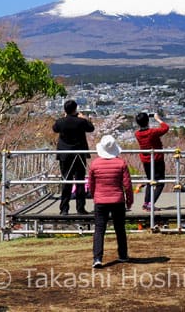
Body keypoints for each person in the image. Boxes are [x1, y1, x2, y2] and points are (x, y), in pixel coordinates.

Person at [88, 135, 134, 268]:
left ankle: (97, 258)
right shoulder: (121, 163)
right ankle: (123, 255)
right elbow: (127, 184)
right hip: (117, 199)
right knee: (120, 228)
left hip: (101, 200)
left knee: (99, 229)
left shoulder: (95, 164)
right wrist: (129, 200)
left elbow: (91, 183)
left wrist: (94, 196)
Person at [53, 99, 94, 215]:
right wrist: (84, 118)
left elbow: (55, 129)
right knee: (80, 181)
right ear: (75, 109)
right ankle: (80, 208)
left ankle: (64, 209)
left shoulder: (60, 122)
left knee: (66, 181)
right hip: (79, 154)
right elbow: (91, 128)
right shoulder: (80, 122)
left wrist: (64, 117)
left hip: (64, 155)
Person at [134, 112, 169, 211]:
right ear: (147, 121)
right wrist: (158, 119)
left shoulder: (137, 134)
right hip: (157, 159)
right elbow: (165, 128)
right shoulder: (152, 132)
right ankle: (151, 203)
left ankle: (146, 203)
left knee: (150, 181)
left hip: (146, 160)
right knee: (160, 182)